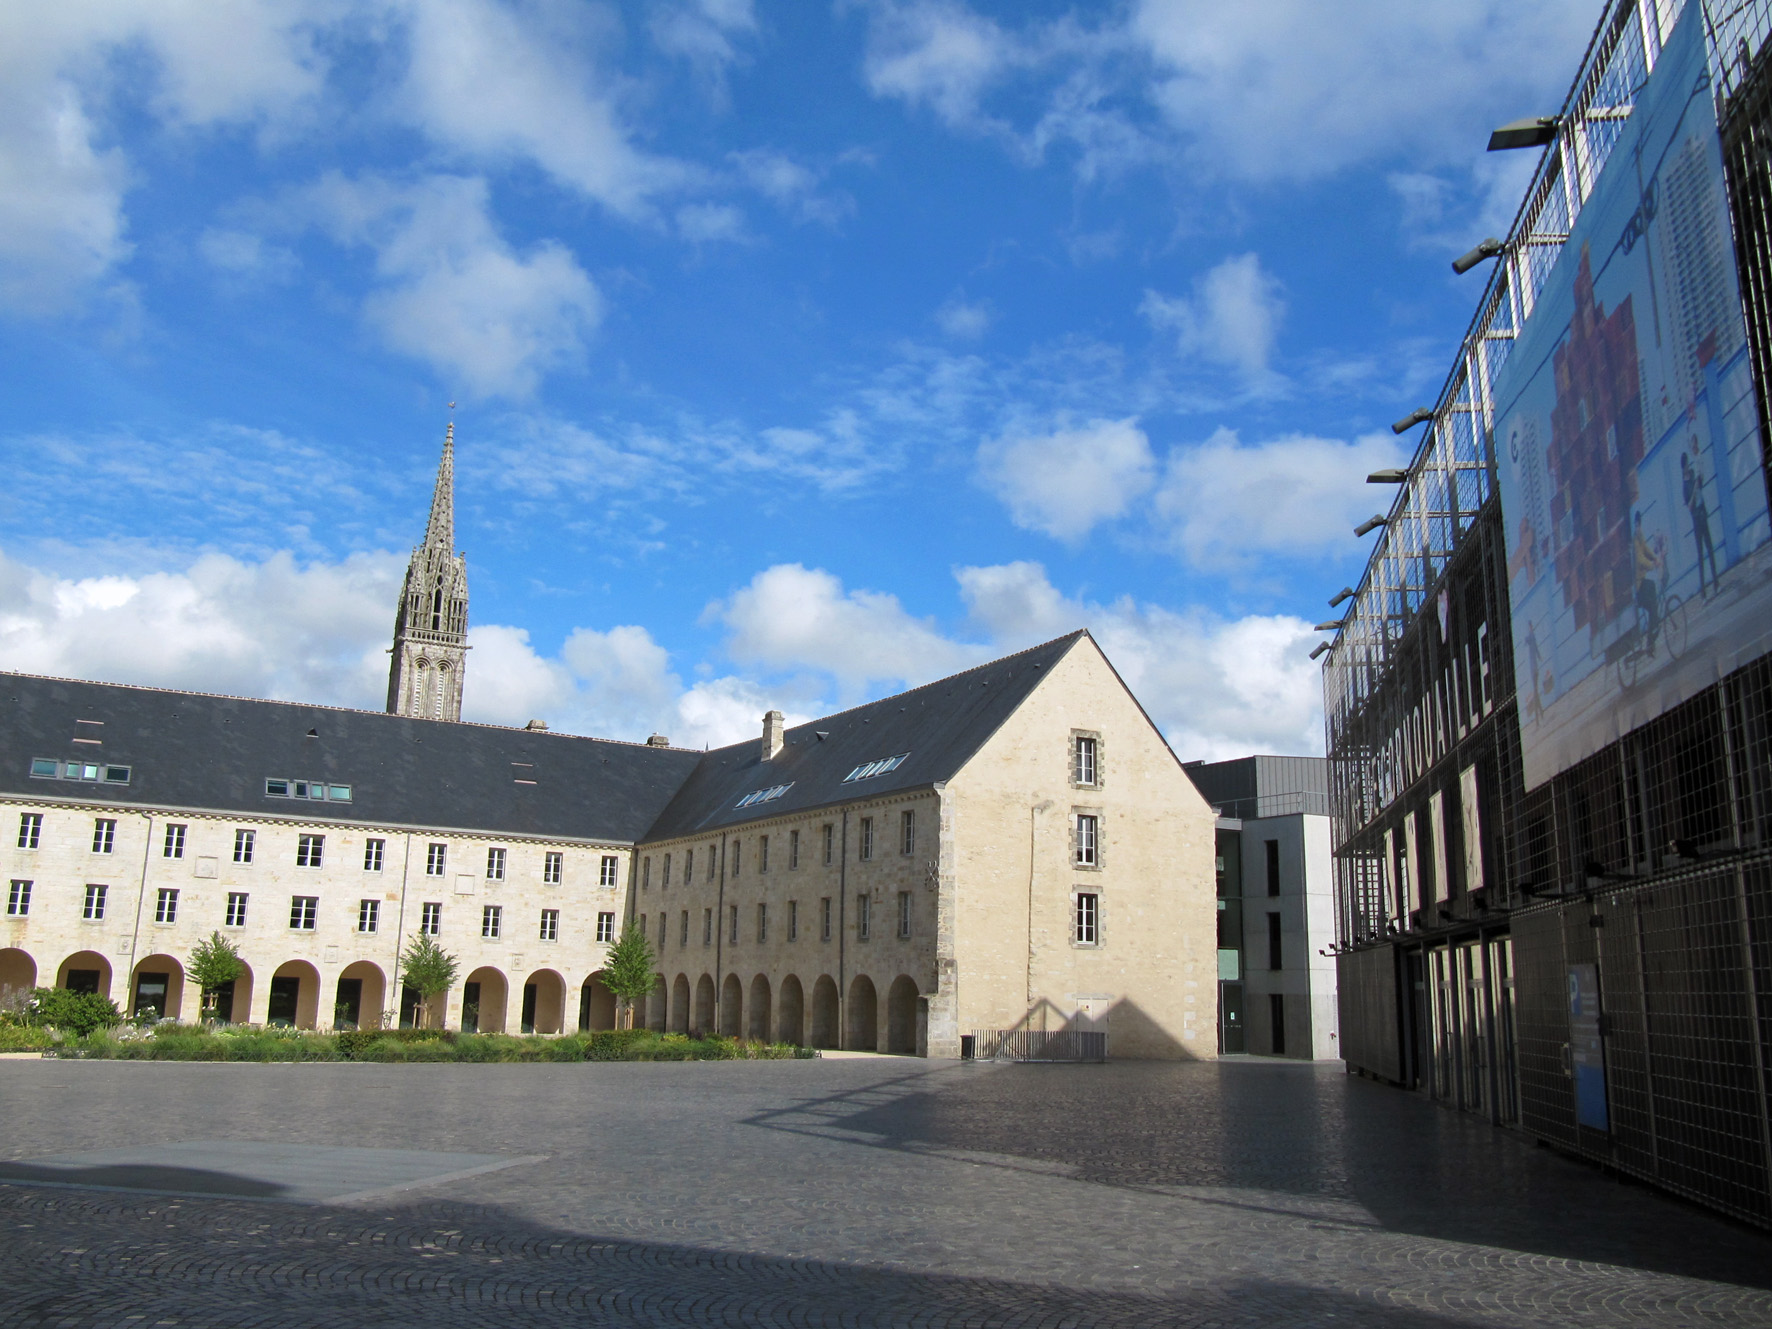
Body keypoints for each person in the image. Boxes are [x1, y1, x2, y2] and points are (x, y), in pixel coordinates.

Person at [1682, 448, 1720, 597]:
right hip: (1696, 520)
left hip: (1703, 514)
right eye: (1686, 465)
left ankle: (1716, 583)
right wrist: (1694, 489)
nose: (1688, 466)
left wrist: (1699, 480)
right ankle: (1703, 592)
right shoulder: (1684, 487)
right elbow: (1689, 506)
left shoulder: (1692, 475)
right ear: (1683, 466)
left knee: (1710, 549)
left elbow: (1701, 482)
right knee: (1700, 555)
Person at [1633, 512, 1663, 655]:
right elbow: (1640, 560)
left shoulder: (1639, 537)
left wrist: (1655, 558)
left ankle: (1651, 640)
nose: (1639, 528)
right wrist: (1653, 565)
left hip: (1642, 582)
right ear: (1634, 526)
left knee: (1652, 590)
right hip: (1638, 586)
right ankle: (1651, 641)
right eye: (1637, 525)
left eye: (1640, 524)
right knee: (1652, 605)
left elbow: (1646, 549)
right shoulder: (1634, 542)